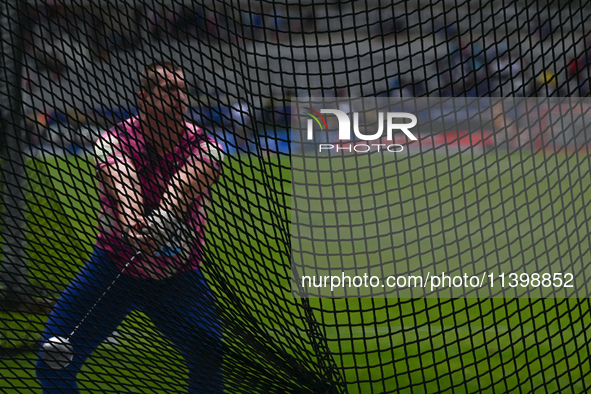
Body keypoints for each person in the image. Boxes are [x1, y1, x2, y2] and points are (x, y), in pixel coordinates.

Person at [36, 61, 225, 393]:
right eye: (168, 89)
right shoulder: (113, 140)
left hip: (178, 277)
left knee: (208, 356)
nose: (179, 96)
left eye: (182, 89)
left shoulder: (207, 146)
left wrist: (159, 224)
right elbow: (123, 183)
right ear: (143, 98)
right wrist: (135, 226)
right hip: (113, 271)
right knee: (54, 357)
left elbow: (182, 187)